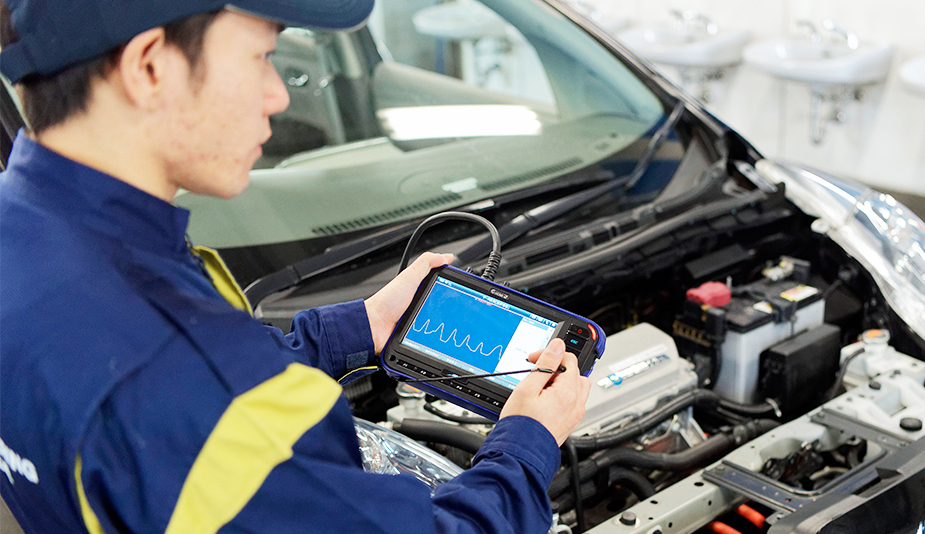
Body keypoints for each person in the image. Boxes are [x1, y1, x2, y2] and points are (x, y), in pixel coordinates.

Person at [0, 0, 591, 533]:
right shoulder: (190, 387)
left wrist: (362, 325)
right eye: (261, 56)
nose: (279, 93)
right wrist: (526, 444)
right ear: (150, 66)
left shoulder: (30, 233)